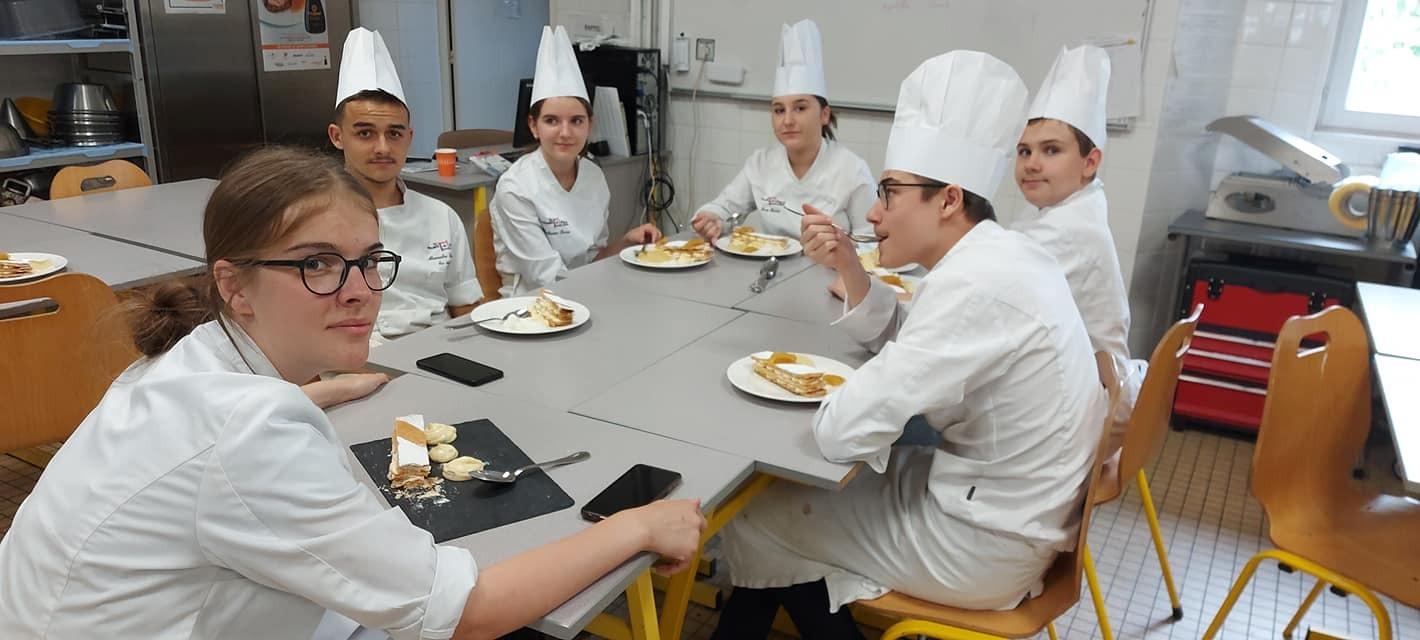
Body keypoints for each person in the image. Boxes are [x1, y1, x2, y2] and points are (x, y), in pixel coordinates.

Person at [0, 146, 706, 640]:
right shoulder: (249, 436)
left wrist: (321, 393)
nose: (361, 290)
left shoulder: (183, 365)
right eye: (317, 264)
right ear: (234, 285)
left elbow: (208, 454)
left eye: (370, 261)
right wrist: (637, 527)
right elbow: (469, 613)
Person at [710, 51, 1107, 640]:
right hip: (1007, 503)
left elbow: (841, 432)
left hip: (982, 543)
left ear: (948, 200)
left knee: (757, 514)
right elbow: (908, 335)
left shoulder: (976, 285)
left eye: (889, 193)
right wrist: (850, 264)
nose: (874, 212)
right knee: (793, 500)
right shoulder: (997, 255)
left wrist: (836, 390)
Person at [1013, 45, 1138, 450]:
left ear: (1090, 162)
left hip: (1082, 415)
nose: (1032, 163)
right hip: (1077, 388)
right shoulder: (1064, 207)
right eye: (1024, 151)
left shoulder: (1070, 230)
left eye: (1051, 150)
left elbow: (995, 292)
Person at [329, 28, 480, 344]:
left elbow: (465, 306)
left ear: (409, 138)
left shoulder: (441, 216)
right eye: (365, 133)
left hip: (440, 349)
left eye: (394, 134)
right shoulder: (314, 219)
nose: (383, 148)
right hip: (354, 356)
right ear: (337, 136)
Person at [488, 26, 660, 297]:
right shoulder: (516, 188)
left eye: (576, 121)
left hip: (584, 294)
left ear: (590, 125)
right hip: (533, 307)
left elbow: (593, 261)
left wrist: (626, 242)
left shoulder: (593, 176)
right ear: (533, 126)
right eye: (551, 121)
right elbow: (546, 277)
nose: (565, 133)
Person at [690, 19, 875, 241]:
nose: (787, 120)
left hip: (833, 264)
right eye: (779, 110)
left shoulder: (852, 171)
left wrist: (842, 252)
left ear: (824, 115)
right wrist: (712, 219)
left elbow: (872, 242)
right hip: (773, 263)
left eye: (800, 108)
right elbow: (724, 208)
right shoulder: (760, 164)